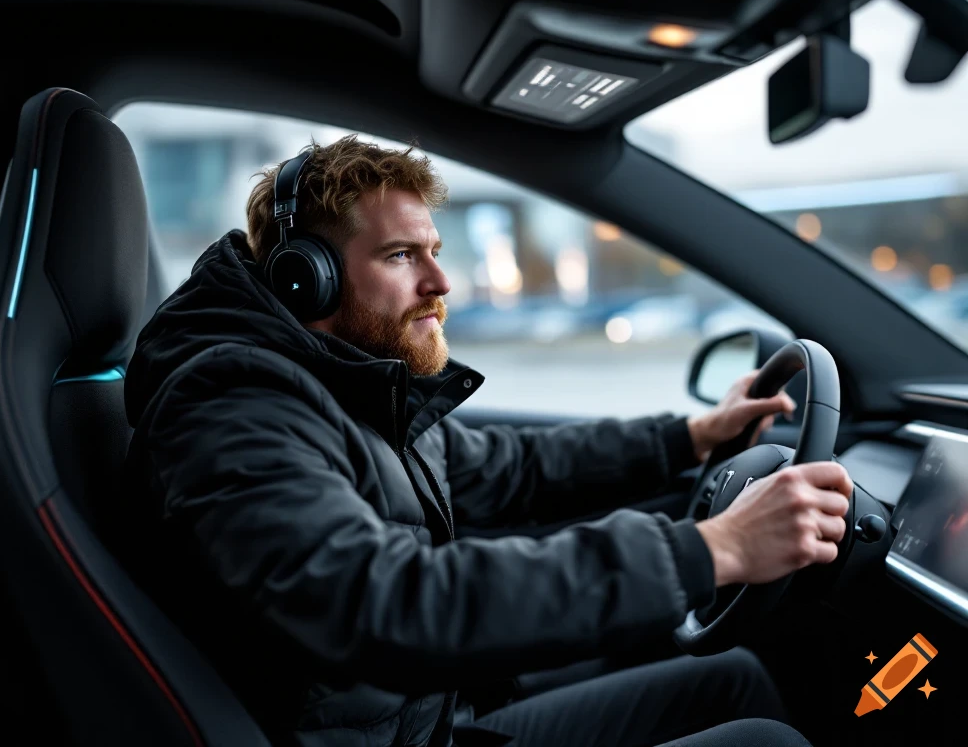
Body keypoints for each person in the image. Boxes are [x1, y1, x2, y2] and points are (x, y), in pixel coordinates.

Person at [113, 135, 853, 747]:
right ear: (307, 279)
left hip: (427, 721)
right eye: (401, 255)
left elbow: (516, 466)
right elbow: (383, 602)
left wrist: (692, 436)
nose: (441, 281)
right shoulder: (234, 405)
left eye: (434, 250)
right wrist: (714, 549)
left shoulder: (348, 387)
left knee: (731, 681)